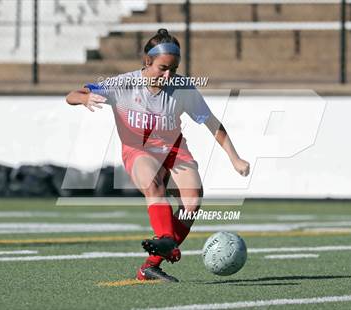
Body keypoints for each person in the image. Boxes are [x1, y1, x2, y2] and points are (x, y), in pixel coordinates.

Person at [66, 29, 250, 282]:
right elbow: (72, 95)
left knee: (192, 203)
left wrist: (235, 158)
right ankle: (167, 242)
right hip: (138, 149)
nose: (168, 75)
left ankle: (150, 266)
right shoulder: (123, 84)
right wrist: (84, 100)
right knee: (153, 184)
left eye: (173, 69)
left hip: (174, 151)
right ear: (147, 62)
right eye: (163, 68)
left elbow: (213, 124)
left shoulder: (182, 88)